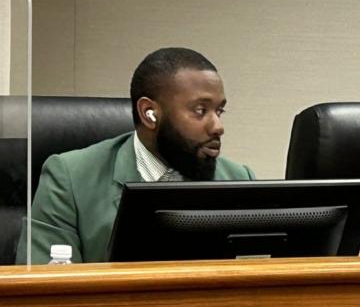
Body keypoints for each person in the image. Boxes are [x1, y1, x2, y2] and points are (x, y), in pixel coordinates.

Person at [21, 47, 254, 263]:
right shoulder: (70, 179)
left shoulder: (239, 179)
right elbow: (42, 293)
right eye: (200, 110)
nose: (218, 126)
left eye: (219, 110)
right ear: (149, 113)